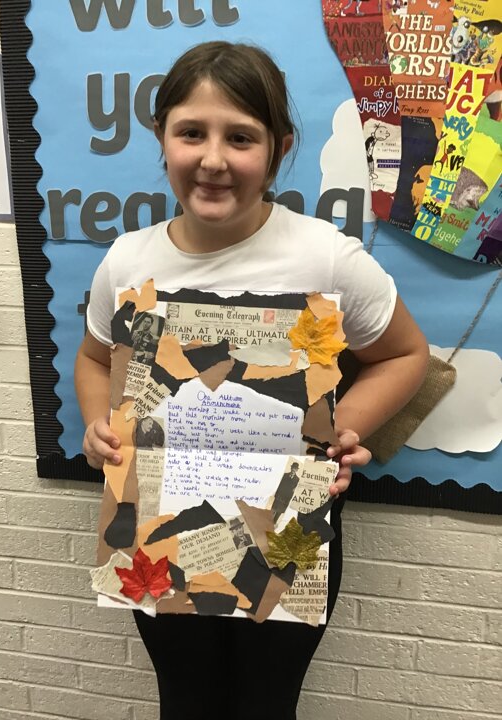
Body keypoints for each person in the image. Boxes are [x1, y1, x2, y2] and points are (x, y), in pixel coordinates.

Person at [74, 41, 429, 720]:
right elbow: (95, 360)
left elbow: (404, 355)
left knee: (268, 705)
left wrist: (343, 430)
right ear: (161, 137)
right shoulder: (127, 261)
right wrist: (100, 426)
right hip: (159, 535)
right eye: (191, 133)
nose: (213, 159)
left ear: (277, 148)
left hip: (285, 532)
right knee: (185, 702)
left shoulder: (325, 257)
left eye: (240, 137)